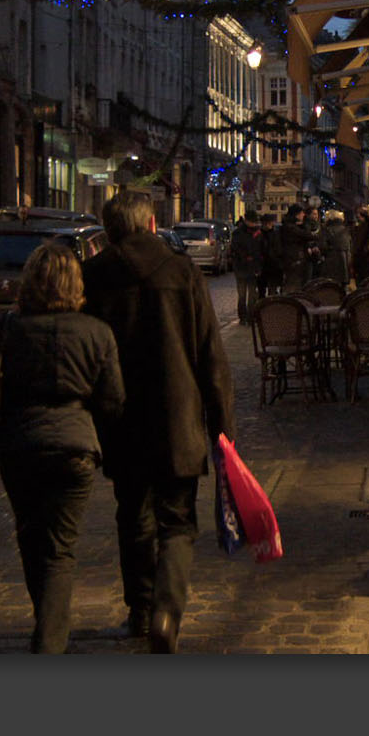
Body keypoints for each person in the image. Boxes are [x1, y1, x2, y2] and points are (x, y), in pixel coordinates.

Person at [80, 191, 234, 654]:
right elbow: (210, 355)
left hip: (121, 417)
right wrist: (222, 426)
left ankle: (141, 610)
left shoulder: (95, 275)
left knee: (133, 517)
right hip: (178, 415)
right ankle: (168, 612)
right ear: (150, 225)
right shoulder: (182, 271)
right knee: (178, 521)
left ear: (110, 230)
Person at [0, 241, 125, 653]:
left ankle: (46, 625)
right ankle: (50, 638)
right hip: (74, 446)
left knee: (30, 535)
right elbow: (113, 399)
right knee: (59, 549)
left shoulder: (10, 326)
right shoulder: (96, 331)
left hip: (19, 445)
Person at [230, 214, 265, 322]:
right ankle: (243, 316)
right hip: (241, 267)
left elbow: (261, 249)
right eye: (253, 222)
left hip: (253, 268)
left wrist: (259, 264)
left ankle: (250, 316)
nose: (255, 224)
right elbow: (235, 249)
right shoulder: (238, 233)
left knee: (252, 294)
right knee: (242, 294)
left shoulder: (258, 233)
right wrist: (245, 257)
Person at [319, 209, 353, 289]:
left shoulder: (326, 230)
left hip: (331, 260)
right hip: (345, 259)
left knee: (331, 287)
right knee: (343, 285)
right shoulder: (345, 230)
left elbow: (323, 246)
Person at [255, 212, 284, 296]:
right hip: (263, 264)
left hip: (273, 265)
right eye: (267, 222)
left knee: (272, 288)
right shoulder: (259, 234)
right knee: (262, 290)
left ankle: (271, 307)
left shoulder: (276, 233)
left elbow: (278, 248)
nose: (270, 224)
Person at [350, 205, 369, 284]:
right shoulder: (358, 227)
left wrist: (367, 215)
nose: (358, 215)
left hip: (367, 258)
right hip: (359, 258)